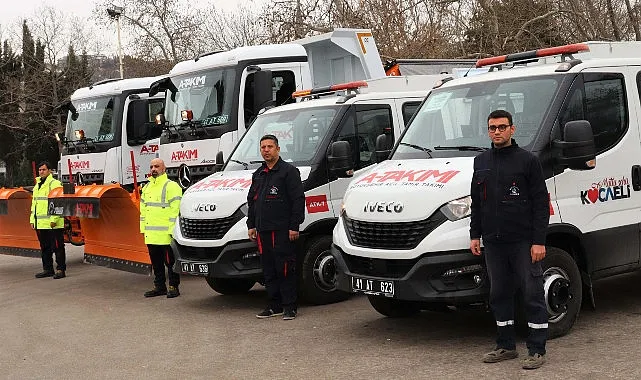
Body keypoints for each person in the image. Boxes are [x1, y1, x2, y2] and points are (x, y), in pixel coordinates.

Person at [469, 109, 550, 370]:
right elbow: (476, 202)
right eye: (492, 128)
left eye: (502, 127)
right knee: (499, 294)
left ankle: (537, 349)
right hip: (493, 242)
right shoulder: (481, 161)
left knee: (532, 294)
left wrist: (538, 241)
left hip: (523, 242)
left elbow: (540, 203)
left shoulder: (528, 161)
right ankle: (505, 346)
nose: (497, 132)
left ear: (512, 130)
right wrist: (475, 234)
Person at [247, 134, 305, 320]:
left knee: (285, 268)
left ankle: (290, 306)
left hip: (282, 230)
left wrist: (294, 226)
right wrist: (251, 225)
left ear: (278, 149)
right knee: (268, 270)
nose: (266, 150)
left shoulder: (288, 172)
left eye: (270, 146)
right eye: (263, 147)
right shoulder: (258, 174)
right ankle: (275, 305)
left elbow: (298, 200)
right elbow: (252, 202)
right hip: (262, 230)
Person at [140, 158, 183, 298]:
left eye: (157, 166)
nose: (153, 169)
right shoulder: (146, 188)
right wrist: (143, 229)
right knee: (156, 264)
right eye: (151, 166)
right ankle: (160, 286)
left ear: (164, 169)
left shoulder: (172, 186)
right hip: (151, 234)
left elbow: (175, 210)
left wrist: (172, 231)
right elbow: (143, 211)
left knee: (170, 263)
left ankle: (173, 286)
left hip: (166, 234)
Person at [31, 161, 66, 279]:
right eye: (40, 170)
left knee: (57, 247)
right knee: (45, 247)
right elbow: (34, 204)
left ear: (50, 171)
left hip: (53, 224)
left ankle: (61, 270)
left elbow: (58, 203)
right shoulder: (37, 185)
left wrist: (54, 219)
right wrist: (32, 220)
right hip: (40, 223)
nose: (41, 172)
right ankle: (48, 269)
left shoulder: (55, 184)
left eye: (44, 169)